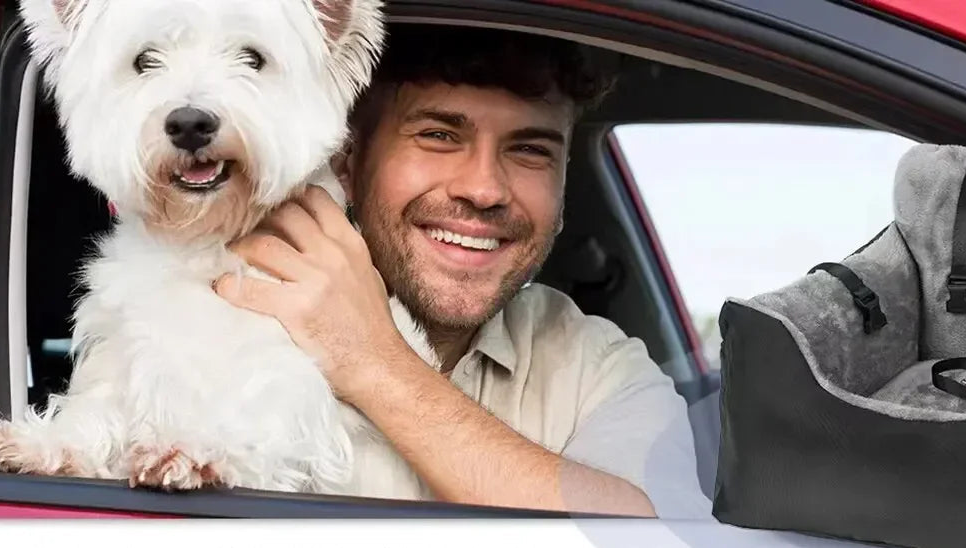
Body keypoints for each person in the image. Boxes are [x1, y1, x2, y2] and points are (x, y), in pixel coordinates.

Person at [214, 26, 707, 518]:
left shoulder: (598, 368)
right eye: (439, 135)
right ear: (348, 160)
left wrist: (373, 359)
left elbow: (654, 536)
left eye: (530, 150)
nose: (484, 188)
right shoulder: (220, 302)